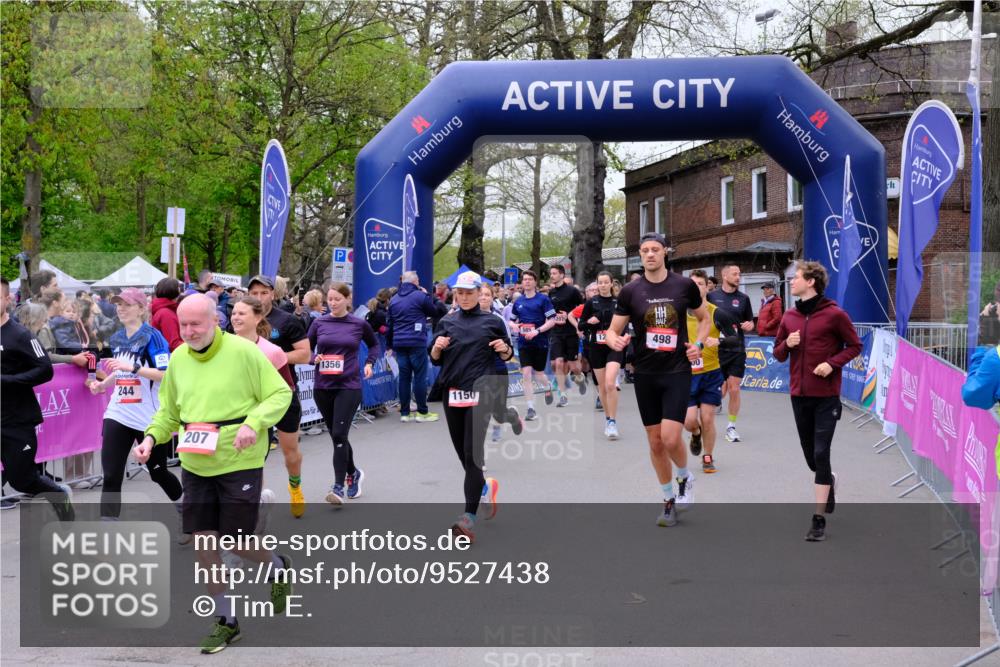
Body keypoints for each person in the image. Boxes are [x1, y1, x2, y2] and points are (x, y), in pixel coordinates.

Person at [133, 294, 293, 654]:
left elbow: (280, 394)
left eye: (196, 324)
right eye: (183, 325)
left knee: (235, 540)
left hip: (239, 458)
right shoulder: (178, 359)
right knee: (204, 542)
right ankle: (226, 620)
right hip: (195, 462)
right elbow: (168, 413)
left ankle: (277, 565)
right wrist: (150, 438)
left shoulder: (243, 353)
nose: (188, 332)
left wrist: (254, 423)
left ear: (215, 321)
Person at [606, 233, 709, 527]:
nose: (650, 254)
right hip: (645, 373)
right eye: (645, 250)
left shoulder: (683, 285)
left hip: (676, 370)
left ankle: (684, 477)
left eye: (655, 249)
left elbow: (704, 319)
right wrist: (614, 341)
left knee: (670, 437)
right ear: (640, 255)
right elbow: (613, 330)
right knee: (654, 443)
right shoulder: (630, 291)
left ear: (665, 252)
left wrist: (698, 345)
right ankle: (667, 500)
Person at [772, 261, 862, 542]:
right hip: (799, 396)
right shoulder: (788, 317)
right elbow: (777, 354)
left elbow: (855, 345)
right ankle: (828, 479)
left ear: (811, 282)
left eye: (796, 278)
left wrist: (832, 364)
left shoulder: (834, 315)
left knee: (822, 453)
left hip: (825, 397)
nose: (792, 282)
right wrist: (788, 344)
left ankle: (818, 519)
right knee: (813, 459)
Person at [85, 288, 183, 524]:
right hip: (118, 412)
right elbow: (121, 370)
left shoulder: (153, 337)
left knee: (158, 472)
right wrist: (103, 385)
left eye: (127, 304)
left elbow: (165, 375)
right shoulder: (118, 337)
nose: (121, 309)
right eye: (118, 305)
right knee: (111, 474)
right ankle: (108, 530)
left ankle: (187, 511)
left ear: (141, 308)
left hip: (148, 417)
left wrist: (135, 369)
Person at [430, 271, 514, 542]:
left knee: (472, 453)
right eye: (460, 293)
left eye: (469, 292)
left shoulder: (493, 321)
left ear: (480, 293)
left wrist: (504, 349)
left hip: (482, 392)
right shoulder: (446, 321)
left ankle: (467, 519)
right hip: (453, 393)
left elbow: (508, 354)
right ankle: (484, 488)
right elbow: (435, 360)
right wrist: (437, 348)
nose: (464, 297)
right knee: (465, 458)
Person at [0, 278, 74, 520]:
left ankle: (58, 495)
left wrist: (7, 381)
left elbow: (45, 369)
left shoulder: (19, 335)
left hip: (16, 421)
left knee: (21, 480)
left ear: (7, 300)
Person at [307, 283, 378, 505]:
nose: (333, 303)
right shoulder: (319, 323)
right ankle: (354, 472)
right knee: (338, 436)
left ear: (348, 299)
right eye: (330, 299)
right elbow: (306, 348)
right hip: (323, 386)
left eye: (338, 299)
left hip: (349, 385)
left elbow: (374, 346)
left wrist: (369, 363)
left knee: (338, 434)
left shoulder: (358, 324)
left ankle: (338, 487)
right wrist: (313, 358)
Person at [247, 274, 309, 518]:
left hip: (283, 393)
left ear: (273, 294)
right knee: (254, 454)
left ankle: (295, 486)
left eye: (264, 293)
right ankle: (256, 500)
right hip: (252, 396)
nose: (259, 298)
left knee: (290, 452)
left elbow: (305, 354)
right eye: (255, 293)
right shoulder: (240, 320)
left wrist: (273, 357)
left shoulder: (287, 321)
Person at [683, 270, 732, 474]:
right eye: (692, 283)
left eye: (701, 284)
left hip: (711, 373)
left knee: (709, 417)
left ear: (707, 287)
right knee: (689, 421)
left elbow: (736, 339)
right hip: (686, 375)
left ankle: (708, 456)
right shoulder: (679, 313)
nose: (696, 287)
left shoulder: (716, 312)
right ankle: (695, 433)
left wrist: (719, 340)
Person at [386, 271, 443, 423]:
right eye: (418, 280)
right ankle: (422, 412)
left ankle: (405, 413)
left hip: (399, 342)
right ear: (414, 282)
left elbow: (389, 325)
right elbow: (435, 311)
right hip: (416, 341)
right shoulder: (419, 296)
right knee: (419, 377)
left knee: (404, 378)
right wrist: (428, 296)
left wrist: (389, 344)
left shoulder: (394, 300)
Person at [707, 263, 754, 443]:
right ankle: (706, 420)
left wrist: (750, 325)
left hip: (736, 348)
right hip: (715, 349)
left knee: (734, 388)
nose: (738, 277)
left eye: (739, 273)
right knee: (718, 391)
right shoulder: (712, 296)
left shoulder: (744, 298)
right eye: (735, 274)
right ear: (724, 276)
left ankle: (731, 427)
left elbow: (750, 321)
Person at [576, 272, 623, 439]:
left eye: (605, 282)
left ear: (611, 284)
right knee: (602, 387)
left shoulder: (619, 302)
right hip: (596, 347)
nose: (602, 285)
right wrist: (590, 322)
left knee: (611, 384)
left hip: (614, 346)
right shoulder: (591, 303)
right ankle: (608, 419)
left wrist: (622, 336)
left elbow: (625, 325)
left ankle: (613, 422)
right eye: (600, 282)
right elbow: (581, 325)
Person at [510, 270, 557, 421]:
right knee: (526, 374)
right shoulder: (518, 302)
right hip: (524, 343)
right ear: (522, 283)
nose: (527, 282)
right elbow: (511, 320)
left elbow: (552, 320)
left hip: (540, 342)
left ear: (535, 282)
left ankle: (548, 386)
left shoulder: (543, 299)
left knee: (539, 374)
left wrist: (537, 331)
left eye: (530, 279)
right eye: (525, 280)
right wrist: (514, 326)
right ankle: (531, 408)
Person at [478, 284, 523, 443]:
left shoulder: (498, 319)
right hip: (477, 371)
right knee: (480, 406)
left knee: (499, 411)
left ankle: (512, 417)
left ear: (492, 298)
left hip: (497, 369)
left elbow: (508, 347)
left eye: (486, 295)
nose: (483, 297)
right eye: (480, 294)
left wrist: (502, 349)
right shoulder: (466, 318)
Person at [546, 264, 585, 404]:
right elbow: (549, 311)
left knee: (574, 366)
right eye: (551, 273)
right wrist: (554, 316)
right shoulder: (551, 293)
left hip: (570, 332)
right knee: (558, 362)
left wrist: (573, 320)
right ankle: (563, 394)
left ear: (562, 275)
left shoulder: (572, 291)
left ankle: (580, 378)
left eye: (554, 273)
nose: (552, 276)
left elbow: (582, 308)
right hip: (556, 332)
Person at [151, 277, 183, 351]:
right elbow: (173, 344)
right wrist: (194, 345)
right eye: (179, 287)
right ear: (175, 290)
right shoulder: (166, 314)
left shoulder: (162, 310)